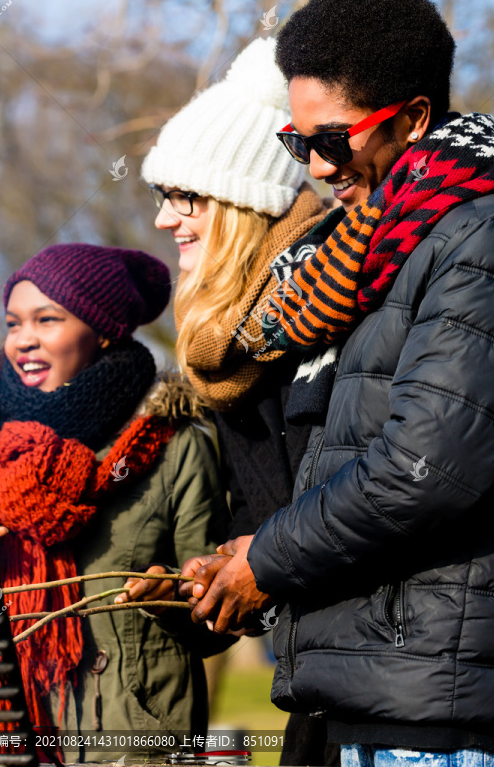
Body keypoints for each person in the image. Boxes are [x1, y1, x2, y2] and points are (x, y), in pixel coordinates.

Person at [179, 0, 494, 767]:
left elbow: (425, 473)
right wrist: (243, 552)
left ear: (416, 118)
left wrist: (266, 559)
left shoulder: (485, 238)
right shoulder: (374, 247)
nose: (318, 168)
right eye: (299, 143)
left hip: (431, 718)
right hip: (362, 700)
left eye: (333, 140)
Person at [138, 37, 337, 765]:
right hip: (316, 690)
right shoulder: (230, 359)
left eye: (184, 197)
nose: (165, 219)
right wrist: (199, 590)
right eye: (163, 197)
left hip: (396, 696)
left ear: (242, 204)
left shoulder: (335, 321)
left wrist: (263, 564)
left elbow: (384, 496)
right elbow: (264, 532)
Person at [0, 243, 230, 762]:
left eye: (47, 320)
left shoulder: (175, 447)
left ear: (104, 329)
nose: (23, 340)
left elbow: (221, 608)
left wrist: (172, 595)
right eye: (14, 323)